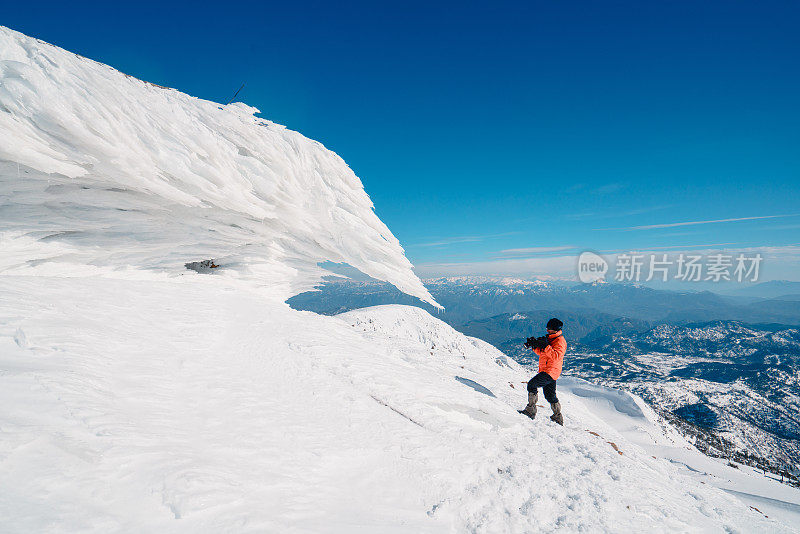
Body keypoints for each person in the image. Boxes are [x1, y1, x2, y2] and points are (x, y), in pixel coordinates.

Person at [518, 318, 567, 425]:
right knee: (550, 396)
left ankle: (530, 411)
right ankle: (557, 417)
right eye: (547, 328)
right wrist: (534, 346)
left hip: (550, 371)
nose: (547, 330)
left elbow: (556, 356)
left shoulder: (560, 341)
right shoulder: (550, 339)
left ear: (556, 329)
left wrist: (546, 346)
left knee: (532, 385)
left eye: (549, 329)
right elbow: (543, 353)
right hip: (547, 370)